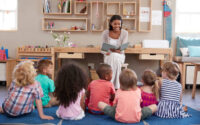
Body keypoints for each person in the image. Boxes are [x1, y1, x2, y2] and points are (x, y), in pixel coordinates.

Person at [101, 15, 128, 89]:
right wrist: (108, 52)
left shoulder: (125, 33)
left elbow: (123, 49)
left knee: (114, 56)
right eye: (115, 24)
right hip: (108, 56)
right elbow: (103, 50)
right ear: (110, 23)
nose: (117, 26)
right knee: (113, 56)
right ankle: (117, 86)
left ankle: (109, 84)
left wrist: (116, 50)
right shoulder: (105, 33)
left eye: (119, 24)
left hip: (120, 56)